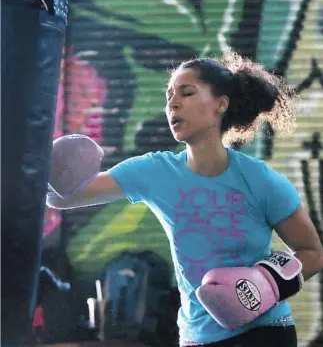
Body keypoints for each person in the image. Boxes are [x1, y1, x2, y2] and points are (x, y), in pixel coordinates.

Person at [47, 51, 323, 347]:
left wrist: (266, 284)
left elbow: (312, 252)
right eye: (168, 96)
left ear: (221, 104)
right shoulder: (154, 171)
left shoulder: (260, 180)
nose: (172, 103)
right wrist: (49, 163)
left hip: (265, 333)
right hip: (196, 337)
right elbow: (62, 199)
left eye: (187, 92)